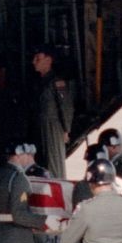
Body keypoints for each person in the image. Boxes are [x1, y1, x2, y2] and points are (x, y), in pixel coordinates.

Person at [30, 45, 74, 176]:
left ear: (48, 60)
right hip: (41, 125)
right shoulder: (40, 82)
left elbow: (65, 106)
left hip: (53, 126)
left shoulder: (57, 82)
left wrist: (66, 129)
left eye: (38, 58)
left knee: (54, 163)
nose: (34, 62)